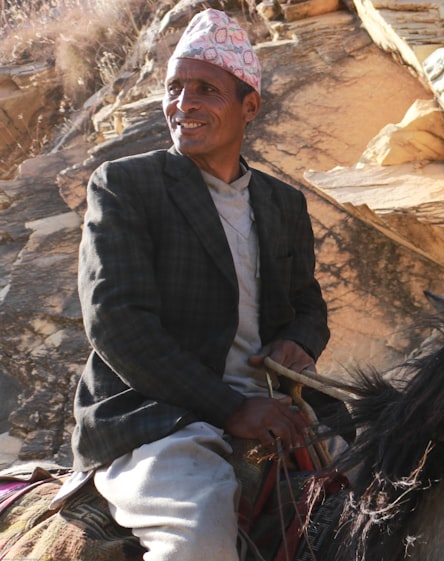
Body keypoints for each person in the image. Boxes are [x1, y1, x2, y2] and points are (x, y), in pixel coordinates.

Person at [59, 9, 332, 561]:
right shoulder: (125, 186)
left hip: (277, 413)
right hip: (156, 419)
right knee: (198, 540)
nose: (183, 104)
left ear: (248, 106)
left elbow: (308, 304)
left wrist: (299, 342)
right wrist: (230, 408)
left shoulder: (284, 204)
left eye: (206, 89)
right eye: (175, 88)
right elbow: (117, 321)